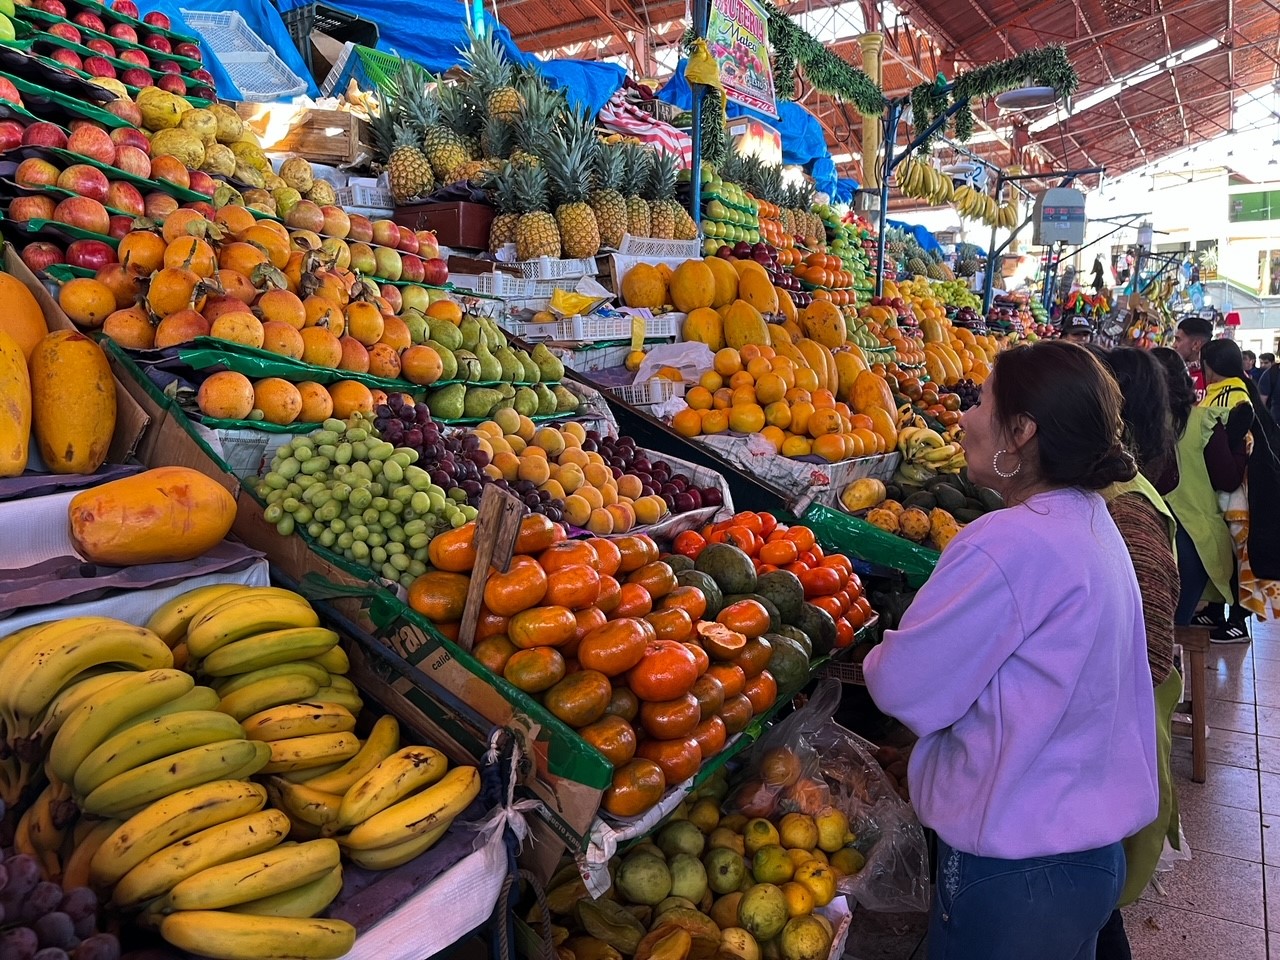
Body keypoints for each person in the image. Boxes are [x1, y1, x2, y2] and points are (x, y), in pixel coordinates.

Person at [863, 341, 1157, 960]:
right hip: (1088, 861)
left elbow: (902, 687)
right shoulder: (1092, 521)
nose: (965, 417)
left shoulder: (1007, 541)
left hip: (1013, 874)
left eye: (981, 402)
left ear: (1021, 431)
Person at [1093, 347, 1183, 960]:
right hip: (1106, 738)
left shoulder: (1128, 506)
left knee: (1097, 911)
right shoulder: (1107, 492)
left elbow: (1148, 651)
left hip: (1115, 734)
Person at [1152, 348, 1246, 636]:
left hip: (1143, 533)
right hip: (1193, 539)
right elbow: (1228, 479)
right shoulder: (1202, 420)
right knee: (1172, 630)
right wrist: (1239, 448)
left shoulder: (1133, 424)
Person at [1172, 315, 1213, 398]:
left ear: (1196, 345)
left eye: (1178, 340)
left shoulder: (1213, 378)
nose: (1174, 345)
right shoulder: (1172, 371)